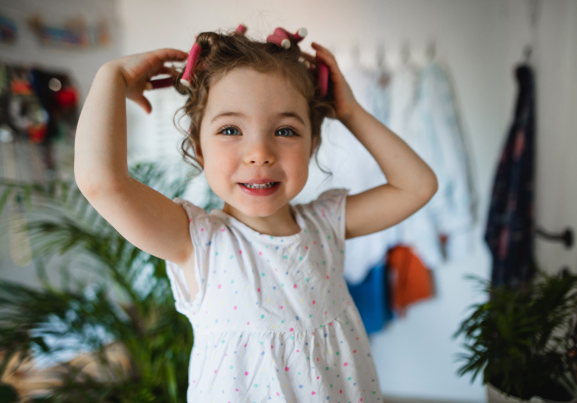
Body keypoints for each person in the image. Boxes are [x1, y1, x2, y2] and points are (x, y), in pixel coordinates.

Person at [74, 25, 438, 402]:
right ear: (199, 149)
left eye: (285, 130)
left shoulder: (326, 224)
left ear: (312, 143)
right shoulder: (198, 243)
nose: (259, 152)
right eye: (231, 129)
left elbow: (417, 186)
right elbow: (102, 182)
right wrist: (111, 77)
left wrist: (350, 112)